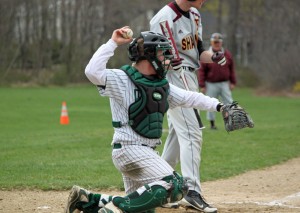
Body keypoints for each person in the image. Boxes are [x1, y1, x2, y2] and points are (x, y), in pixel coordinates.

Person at [65, 27, 225, 213]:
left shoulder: (162, 86)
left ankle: (87, 200)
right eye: (162, 54)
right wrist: (113, 43)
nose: (167, 59)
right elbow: (92, 71)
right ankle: (114, 209)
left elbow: (191, 98)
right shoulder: (121, 78)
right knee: (175, 185)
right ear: (148, 56)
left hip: (145, 153)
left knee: (142, 208)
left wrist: (221, 106)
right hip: (129, 149)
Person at [150, 1, 225, 212]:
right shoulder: (163, 18)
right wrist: (165, 61)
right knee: (192, 133)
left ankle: (160, 187)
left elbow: (200, 52)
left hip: (189, 75)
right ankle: (192, 191)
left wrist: (214, 56)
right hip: (174, 77)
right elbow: (153, 53)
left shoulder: (194, 14)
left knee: (177, 133)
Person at [199, 32, 236, 130]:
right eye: (214, 42)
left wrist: (233, 82)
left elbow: (231, 69)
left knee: (229, 102)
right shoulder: (207, 54)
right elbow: (202, 70)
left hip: (224, 83)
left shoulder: (227, 54)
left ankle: (230, 122)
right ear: (211, 42)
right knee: (210, 103)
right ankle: (212, 124)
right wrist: (202, 84)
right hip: (211, 83)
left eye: (218, 42)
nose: (216, 44)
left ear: (221, 43)